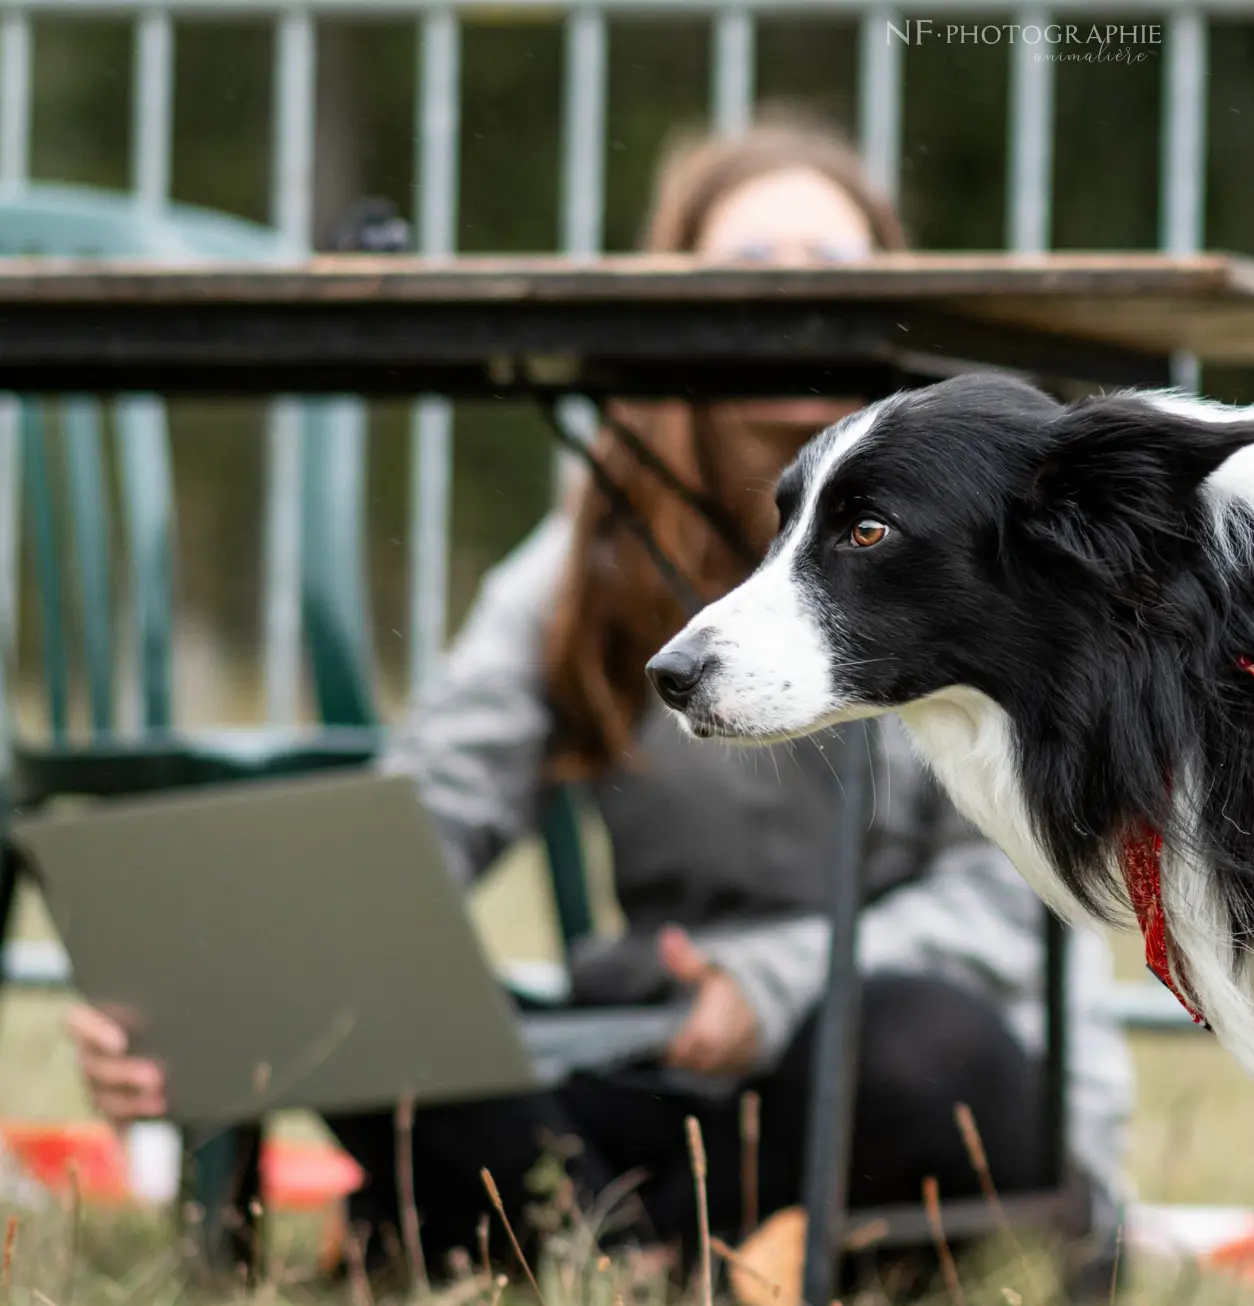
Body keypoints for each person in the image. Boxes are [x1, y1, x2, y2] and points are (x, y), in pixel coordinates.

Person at [65, 115, 1133, 1285]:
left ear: (892, 292)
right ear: (676, 297)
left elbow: (1016, 902)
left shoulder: (990, 526)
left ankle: (563, 1240)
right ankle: (627, 1252)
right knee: (372, 1004)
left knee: (914, 1040)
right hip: (666, 1073)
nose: (790, 300)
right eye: (748, 271)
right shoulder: (589, 551)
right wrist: (210, 997)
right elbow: (428, 810)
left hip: (915, 1068)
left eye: (831, 268)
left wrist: (765, 983)